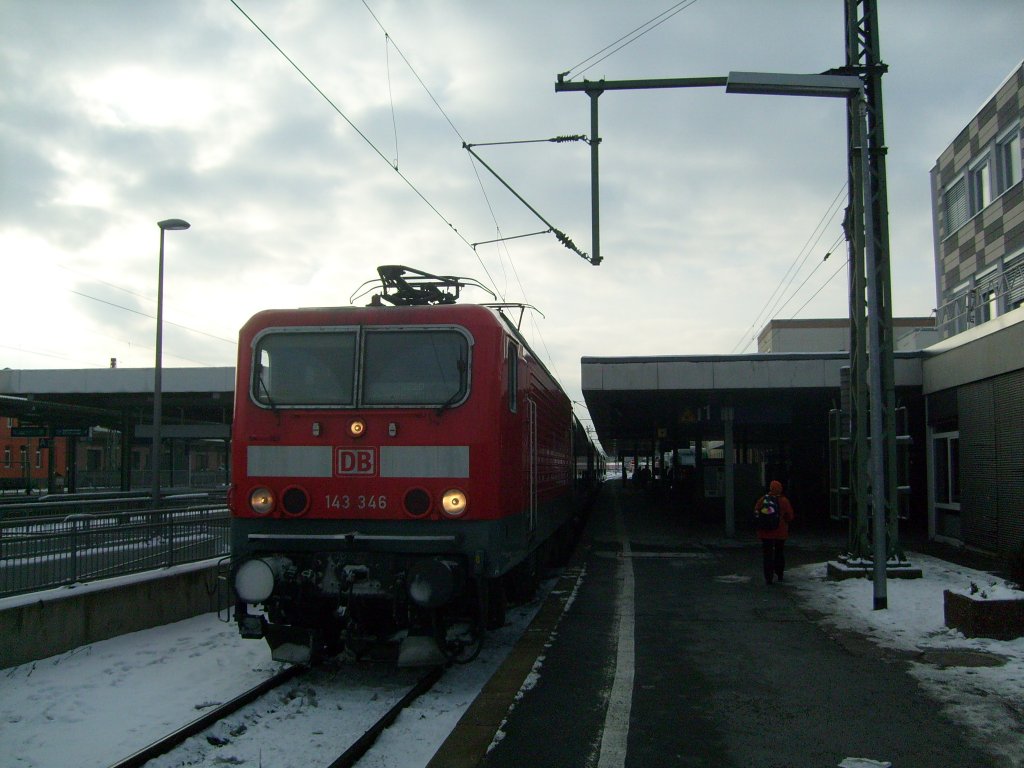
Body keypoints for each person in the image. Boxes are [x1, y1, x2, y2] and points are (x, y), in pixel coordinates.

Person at [754, 480, 795, 585]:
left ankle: (768, 577)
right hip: (780, 532)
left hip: (765, 532)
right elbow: (790, 516)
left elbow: (756, 513)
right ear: (780, 489)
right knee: (779, 552)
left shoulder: (763, 500)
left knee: (767, 554)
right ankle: (779, 573)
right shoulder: (784, 501)